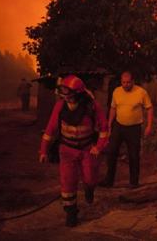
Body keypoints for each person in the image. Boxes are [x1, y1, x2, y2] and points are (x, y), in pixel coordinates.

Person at [39, 75, 108, 227]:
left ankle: (89, 189)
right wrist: (43, 150)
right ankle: (71, 212)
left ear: (77, 93)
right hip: (67, 149)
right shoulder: (60, 106)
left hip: (87, 150)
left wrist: (99, 147)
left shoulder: (92, 106)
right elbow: (50, 128)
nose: (65, 97)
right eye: (63, 93)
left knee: (90, 178)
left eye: (68, 94)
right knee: (68, 181)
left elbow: (104, 128)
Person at [101, 71, 153, 188]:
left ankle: (134, 182)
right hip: (119, 126)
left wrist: (149, 125)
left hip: (134, 128)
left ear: (133, 81)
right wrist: (109, 124)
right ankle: (109, 181)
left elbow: (149, 108)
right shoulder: (117, 91)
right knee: (111, 152)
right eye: (124, 82)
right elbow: (113, 108)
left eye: (128, 82)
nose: (126, 84)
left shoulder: (141, 92)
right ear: (121, 82)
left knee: (133, 155)